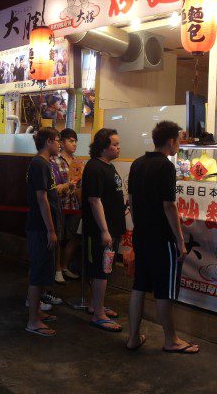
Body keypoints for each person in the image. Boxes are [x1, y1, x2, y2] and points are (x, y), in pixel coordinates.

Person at [126, 121, 199, 353]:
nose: (179, 144)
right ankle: (171, 340)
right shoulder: (166, 167)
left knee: (139, 286)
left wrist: (139, 228)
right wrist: (179, 240)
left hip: (142, 234)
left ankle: (133, 338)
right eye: (178, 140)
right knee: (164, 290)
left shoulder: (138, 163)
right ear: (170, 141)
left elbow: (132, 201)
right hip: (161, 238)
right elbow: (169, 206)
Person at [82, 128, 125, 332]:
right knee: (101, 270)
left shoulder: (108, 166)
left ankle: (95, 305)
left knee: (105, 269)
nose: (118, 147)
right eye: (114, 144)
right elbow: (94, 200)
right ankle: (98, 314)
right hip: (100, 231)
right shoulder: (94, 168)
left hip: (112, 227)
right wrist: (105, 230)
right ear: (103, 146)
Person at [25, 128, 62, 337]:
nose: (59, 144)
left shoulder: (43, 163)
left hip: (42, 226)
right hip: (39, 227)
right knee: (38, 273)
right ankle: (32, 321)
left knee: (42, 272)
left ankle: (37, 312)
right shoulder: (39, 164)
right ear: (48, 142)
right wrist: (50, 229)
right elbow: (42, 198)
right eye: (57, 141)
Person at [51, 128, 81, 284]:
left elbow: (80, 185)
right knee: (58, 237)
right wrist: (67, 185)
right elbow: (53, 187)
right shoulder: (54, 160)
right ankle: (56, 270)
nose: (74, 143)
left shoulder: (77, 162)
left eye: (75, 141)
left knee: (73, 237)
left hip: (75, 205)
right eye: (71, 140)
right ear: (61, 142)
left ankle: (64, 266)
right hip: (60, 205)